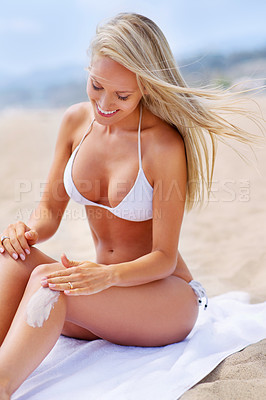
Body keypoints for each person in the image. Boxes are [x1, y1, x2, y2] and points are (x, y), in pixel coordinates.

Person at [0, 13, 261, 399]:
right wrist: (24, 232)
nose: (105, 103)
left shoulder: (162, 145)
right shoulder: (76, 121)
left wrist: (107, 276)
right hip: (105, 297)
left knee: (48, 282)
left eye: (122, 96)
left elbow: (164, 258)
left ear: (145, 87)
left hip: (165, 298)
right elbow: (49, 215)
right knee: (13, 258)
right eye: (97, 86)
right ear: (88, 69)